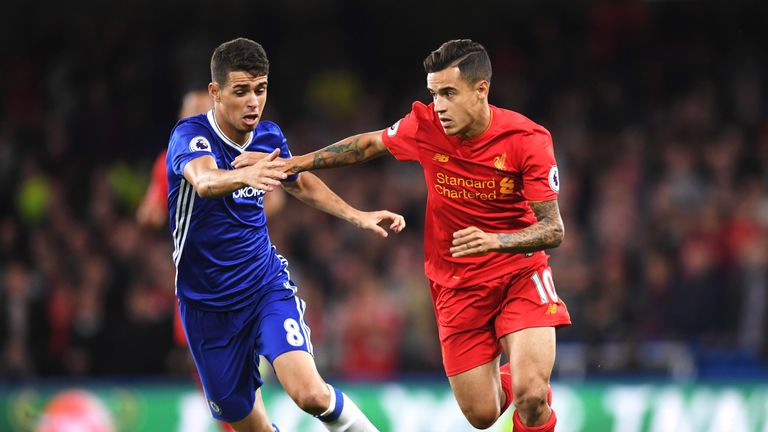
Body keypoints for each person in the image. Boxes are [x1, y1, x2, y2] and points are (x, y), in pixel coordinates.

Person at [237, 39, 571, 431]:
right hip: (457, 284)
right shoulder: (426, 126)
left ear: (481, 89)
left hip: (519, 274)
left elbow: (553, 229)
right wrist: (295, 163)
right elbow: (366, 146)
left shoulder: (527, 140)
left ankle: (533, 390)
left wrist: (496, 241)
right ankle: (525, 386)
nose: (439, 105)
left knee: (531, 397)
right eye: (433, 94)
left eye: (449, 93)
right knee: (482, 415)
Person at [167, 38, 404, 432]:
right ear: (215, 92)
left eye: (260, 90)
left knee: (310, 393)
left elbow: (301, 183)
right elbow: (205, 181)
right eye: (241, 91)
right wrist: (245, 174)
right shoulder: (190, 136)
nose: (253, 103)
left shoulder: (268, 137)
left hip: (264, 289)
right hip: (206, 306)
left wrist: (357, 216)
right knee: (250, 426)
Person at [138, 89, 284, 432]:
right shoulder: (173, 160)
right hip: (202, 284)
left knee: (237, 365)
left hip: (244, 276)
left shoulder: (241, 149)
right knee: (216, 375)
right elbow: (149, 213)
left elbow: (276, 201)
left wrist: (239, 211)